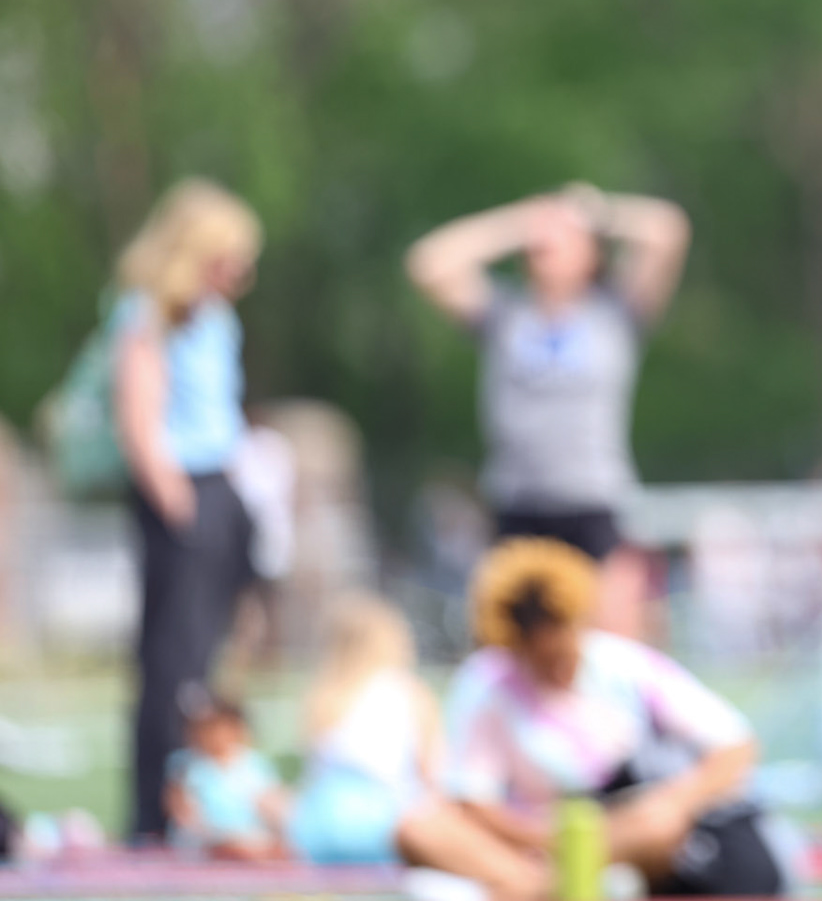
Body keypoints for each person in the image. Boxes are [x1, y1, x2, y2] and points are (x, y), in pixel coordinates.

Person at [443, 539, 787, 896]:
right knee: (420, 827)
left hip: (624, 832)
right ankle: (543, 880)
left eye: (564, 654)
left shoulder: (623, 666)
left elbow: (735, 745)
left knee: (657, 825)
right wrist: (543, 838)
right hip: (529, 837)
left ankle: (542, 886)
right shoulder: (487, 684)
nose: (558, 670)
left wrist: (673, 799)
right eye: (543, 661)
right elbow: (472, 799)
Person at [405, 185, 691, 562]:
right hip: (518, 505)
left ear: (591, 253)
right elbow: (428, 264)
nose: (549, 244)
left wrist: (596, 213)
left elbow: (668, 231)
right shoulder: (505, 315)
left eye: (566, 238)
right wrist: (518, 222)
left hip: (592, 504)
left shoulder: (615, 314)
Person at [112, 178, 262, 841]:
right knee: (171, 663)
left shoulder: (216, 315)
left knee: (209, 659)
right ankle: (153, 813)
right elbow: (140, 416)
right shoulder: (147, 313)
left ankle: (203, 800)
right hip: (181, 490)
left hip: (221, 482)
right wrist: (177, 501)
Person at [287, 594, 545, 901]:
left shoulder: (325, 698)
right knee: (507, 874)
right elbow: (434, 778)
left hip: (314, 830)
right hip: (387, 826)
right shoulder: (406, 692)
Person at [165, 692, 285, 861]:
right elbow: (183, 813)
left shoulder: (253, 765)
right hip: (206, 840)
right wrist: (212, 834)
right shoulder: (185, 765)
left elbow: (273, 804)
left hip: (248, 836)